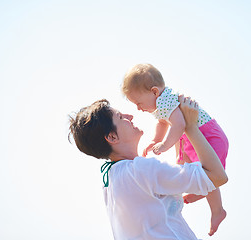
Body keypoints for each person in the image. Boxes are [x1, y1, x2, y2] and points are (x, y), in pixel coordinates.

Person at [68, 96, 228, 240]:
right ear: (112, 137)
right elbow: (217, 176)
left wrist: (179, 136)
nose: (129, 116)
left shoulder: (111, 181)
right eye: (120, 117)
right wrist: (190, 126)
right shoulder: (139, 170)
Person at [122, 63, 229, 236]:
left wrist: (164, 145)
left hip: (208, 135)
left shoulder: (165, 100)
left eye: (139, 102)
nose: (138, 108)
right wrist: (156, 139)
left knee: (207, 170)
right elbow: (163, 122)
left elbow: (178, 124)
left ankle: (217, 210)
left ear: (154, 92)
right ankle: (200, 191)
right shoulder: (161, 103)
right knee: (186, 163)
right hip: (196, 136)